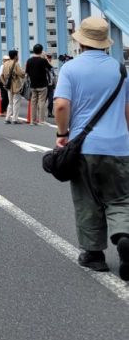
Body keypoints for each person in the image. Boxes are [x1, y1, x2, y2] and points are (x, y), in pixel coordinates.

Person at [54, 16, 129, 278]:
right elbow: (127, 109)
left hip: (84, 146)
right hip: (119, 145)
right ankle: (124, 237)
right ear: (104, 43)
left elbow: (62, 105)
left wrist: (62, 134)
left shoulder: (70, 69)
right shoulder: (119, 69)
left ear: (81, 41)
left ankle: (94, 255)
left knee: (87, 199)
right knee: (120, 198)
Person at [25, 43, 53, 124]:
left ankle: (32, 120)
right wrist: (45, 58)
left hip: (33, 85)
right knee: (41, 102)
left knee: (33, 103)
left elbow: (26, 73)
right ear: (41, 51)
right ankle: (41, 120)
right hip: (42, 85)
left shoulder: (29, 61)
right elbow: (51, 67)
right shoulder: (43, 61)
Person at [0, 49, 25, 124]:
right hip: (16, 85)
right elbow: (21, 74)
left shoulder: (5, 63)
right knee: (16, 102)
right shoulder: (16, 63)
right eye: (17, 55)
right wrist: (24, 71)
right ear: (15, 56)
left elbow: (2, 75)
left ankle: (7, 118)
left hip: (8, 86)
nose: (18, 56)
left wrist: (5, 83)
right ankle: (15, 119)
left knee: (10, 103)